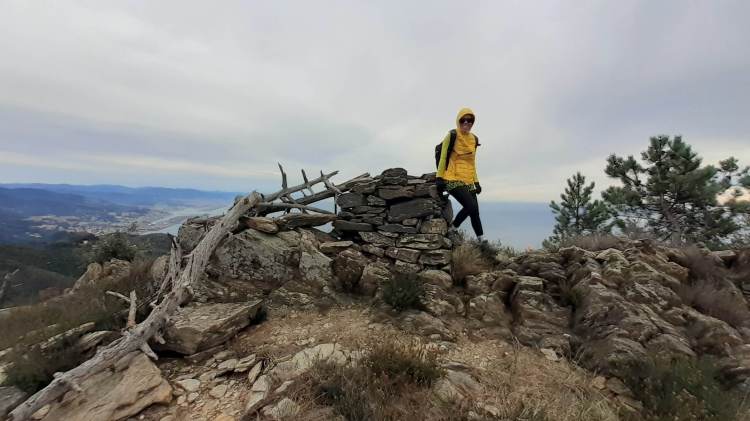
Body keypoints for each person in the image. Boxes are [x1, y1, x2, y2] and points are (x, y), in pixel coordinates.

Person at [435, 107, 485, 241]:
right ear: (459, 120)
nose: (467, 123)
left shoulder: (474, 139)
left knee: (475, 211)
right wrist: (439, 177)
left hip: (468, 180)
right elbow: (443, 157)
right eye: (464, 120)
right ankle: (453, 228)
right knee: (471, 206)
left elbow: (472, 163)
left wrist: (476, 182)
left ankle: (481, 241)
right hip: (452, 178)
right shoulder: (452, 135)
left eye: (470, 120)